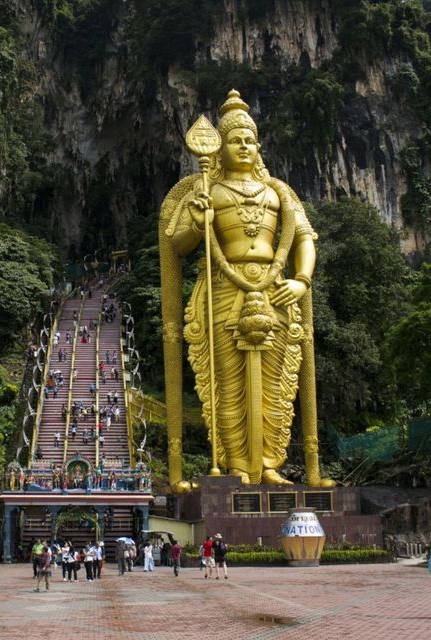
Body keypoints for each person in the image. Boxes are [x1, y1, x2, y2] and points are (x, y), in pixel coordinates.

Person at [160, 89, 333, 490]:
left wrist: (301, 279)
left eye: (249, 140)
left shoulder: (279, 193)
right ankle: (236, 464)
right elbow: (177, 245)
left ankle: (271, 464)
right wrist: (198, 221)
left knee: (277, 380)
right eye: (234, 140)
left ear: (259, 146)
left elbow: (305, 238)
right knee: (227, 382)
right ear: (219, 149)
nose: (242, 146)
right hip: (223, 289)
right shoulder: (207, 191)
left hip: (275, 289)